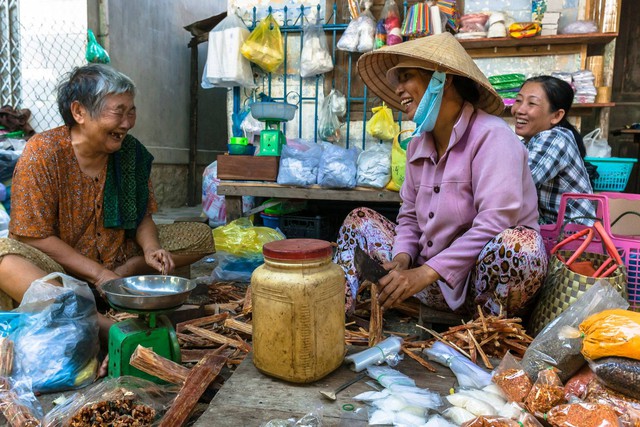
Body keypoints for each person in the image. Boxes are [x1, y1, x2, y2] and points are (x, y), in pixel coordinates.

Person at [334, 32, 548, 317]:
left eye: (407, 76)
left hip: (479, 290)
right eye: (398, 80)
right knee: (359, 220)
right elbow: (409, 216)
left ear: (442, 79)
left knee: (522, 245)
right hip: (426, 282)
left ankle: (486, 332)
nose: (399, 89)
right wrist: (402, 259)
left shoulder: (493, 137)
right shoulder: (417, 145)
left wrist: (425, 273)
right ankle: (334, 318)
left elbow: (495, 221)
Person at [0, 64, 214, 311]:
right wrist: (99, 274)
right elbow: (33, 236)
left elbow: (142, 216)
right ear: (79, 112)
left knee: (200, 236)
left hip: (118, 255)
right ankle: (90, 318)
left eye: (131, 112)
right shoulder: (43, 152)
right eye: (118, 112)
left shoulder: (131, 152)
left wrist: (150, 248)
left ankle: (125, 274)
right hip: (60, 264)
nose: (126, 123)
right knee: (6, 261)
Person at [511, 75, 596, 225]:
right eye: (518, 100)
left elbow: (515, 183)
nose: (519, 110)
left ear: (556, 116)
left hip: (574, 239)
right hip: (552, 233)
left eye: (531, 103)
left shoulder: (554, 139)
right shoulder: (527, 143)